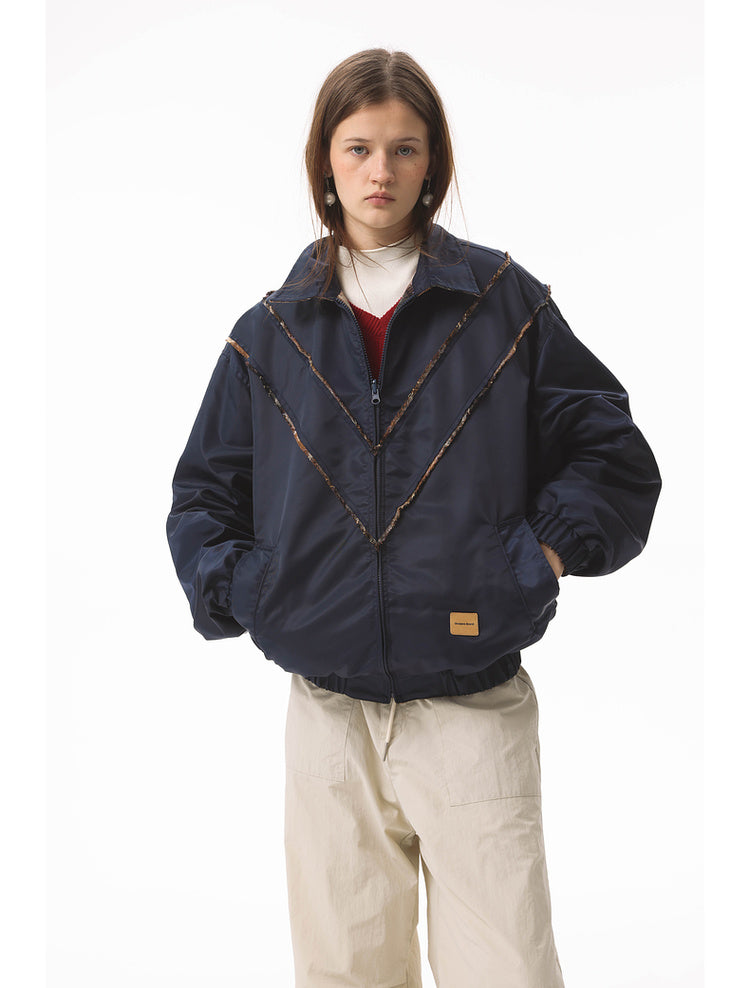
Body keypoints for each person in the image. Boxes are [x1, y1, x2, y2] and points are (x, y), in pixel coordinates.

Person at [166, 48, 661, 988]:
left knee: (507, 969)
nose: (380, 172)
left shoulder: (503, 304)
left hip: (472, 708)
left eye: (404, 148)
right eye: (358, 148)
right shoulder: (272, 332)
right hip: (328, 718)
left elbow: (613, 455)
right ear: (325, 161)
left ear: (433, 163)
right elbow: (203, 495)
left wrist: (537, 558)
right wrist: (258, 592)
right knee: (344, 972)